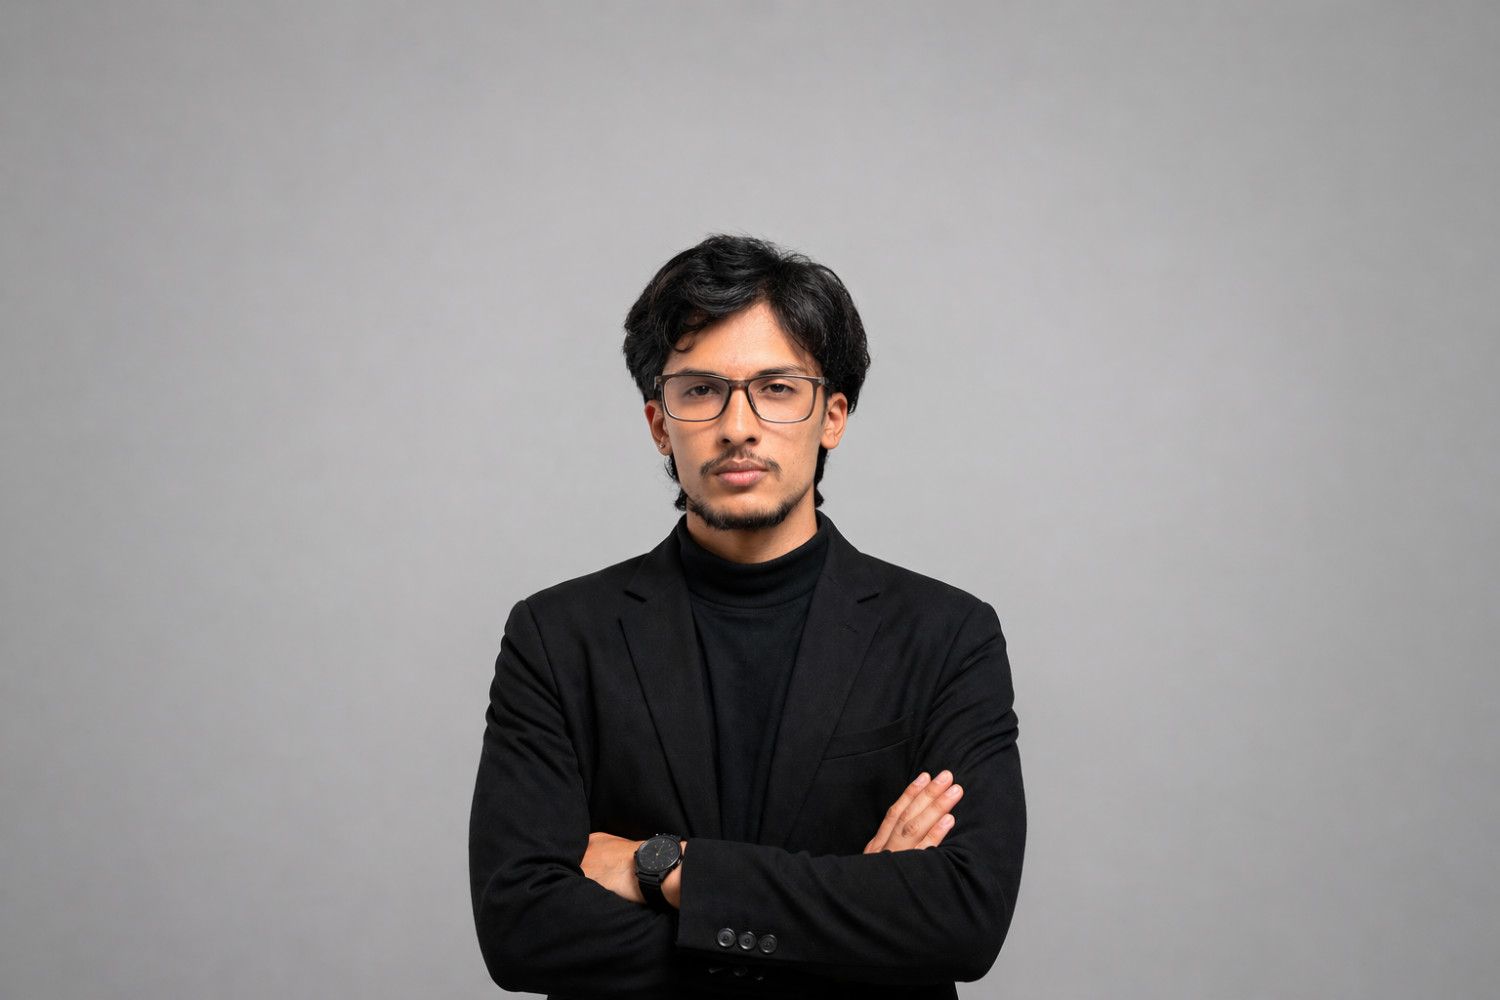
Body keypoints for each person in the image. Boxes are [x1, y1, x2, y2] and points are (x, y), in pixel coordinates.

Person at [468, 234, 1026, 999]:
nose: (738, 424)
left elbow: (963, 916)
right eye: (700, 390)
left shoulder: (946, 635)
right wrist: (849, 922)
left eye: (776, 387)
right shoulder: (557, 637)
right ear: (660, 424)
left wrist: (660, 867)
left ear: (831, 415)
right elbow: (520, 930)